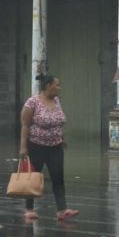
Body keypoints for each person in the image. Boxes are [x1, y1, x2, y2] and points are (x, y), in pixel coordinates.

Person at [19, 74, 79, 221]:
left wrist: (62, 138)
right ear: (48, 86)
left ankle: (62, 210)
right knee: (33, 177)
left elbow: (58, 122)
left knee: (58, 177)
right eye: (57, 85)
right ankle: (29, 208)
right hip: (36, 146)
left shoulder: (57, 100)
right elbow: (25, 125)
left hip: (55, 146)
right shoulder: (32, 102)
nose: (59, 88)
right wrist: (23, 147)